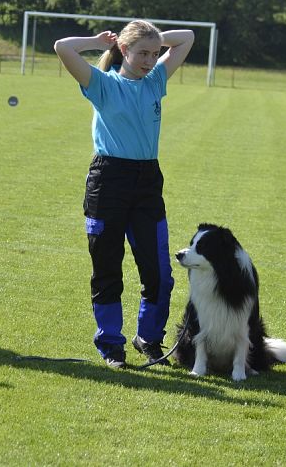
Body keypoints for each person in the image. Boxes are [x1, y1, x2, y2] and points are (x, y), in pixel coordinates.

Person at [54, 20, 194, 368]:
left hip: (148, 183)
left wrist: (154, 38)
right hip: (108, 182)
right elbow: (63, 47)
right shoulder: (101, 84)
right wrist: (98, 40)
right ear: (125, 51)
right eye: (141, 52)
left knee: (159, 274)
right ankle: (111, 346)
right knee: (107, 271)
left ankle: (148, 338)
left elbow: (188, 38)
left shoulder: (156, 81)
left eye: (154, 53)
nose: (149, 60)